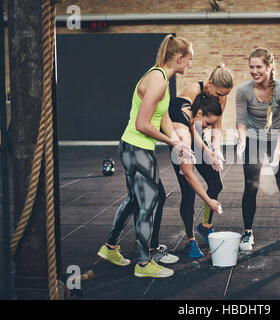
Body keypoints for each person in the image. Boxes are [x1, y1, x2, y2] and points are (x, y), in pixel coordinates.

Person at [96, 34, 194, 278]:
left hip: (134, 147)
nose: (191, 64)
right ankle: (143, 264)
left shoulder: (160, 75)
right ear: (179, 58)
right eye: (190, 59)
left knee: (137, 199)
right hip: (137, 148)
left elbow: (163, 117)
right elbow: (142, 123)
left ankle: (109, 248)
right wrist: (171, 140)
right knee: (147, 204)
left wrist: (178, 141)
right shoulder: (158, 80)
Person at [236, 47, 280, 251]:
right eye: (251, 67)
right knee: (251, 186)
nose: (254, 71)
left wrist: (277, 151)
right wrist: (241, 141)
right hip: (252, 139)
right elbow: (240, 120)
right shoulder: (243, 90)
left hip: (276, 139)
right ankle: (247, 233)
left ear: (269, 66)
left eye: (259, 67)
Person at [171, 65, 233, 258]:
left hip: (200, 138)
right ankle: (190, 240)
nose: (219, 98)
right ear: (210, 83)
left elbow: (217, 125)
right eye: (218, 93)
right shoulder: (191, 91)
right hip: (182, 139)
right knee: (188, 190)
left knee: (216, 183)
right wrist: (206, 150)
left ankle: (205, 226)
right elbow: (189, 128)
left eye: (224, 95)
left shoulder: (221, 94)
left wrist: (216, 150)